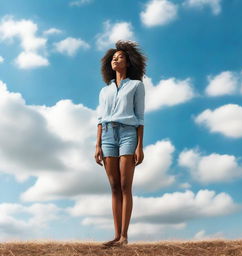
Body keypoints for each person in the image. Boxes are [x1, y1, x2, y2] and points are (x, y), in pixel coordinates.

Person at [94, 40, 147, 247]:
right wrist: (97, 145)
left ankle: (124, 237)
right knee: (114, 186)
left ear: (128, 62)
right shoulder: (104, 91)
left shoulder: (136, 85)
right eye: (114, 58)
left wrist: (139, 146)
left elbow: (140, 117)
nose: (116, 60)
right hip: (107, 135)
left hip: (128, 134)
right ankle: (116, 237)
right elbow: (100, 119)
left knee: (125, 185)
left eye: (120, 57)